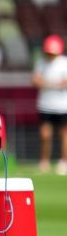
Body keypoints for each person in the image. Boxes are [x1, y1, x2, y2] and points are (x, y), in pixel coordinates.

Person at [33, 34, 67, 175]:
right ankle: (44, 161)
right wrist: (54, 84)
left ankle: (64, 162)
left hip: (62, 106)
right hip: (45, 105)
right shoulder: (41, 63)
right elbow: (35, 80)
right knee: (45, 134)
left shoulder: (64, 63)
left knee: (64, 134)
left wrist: (47, 83)